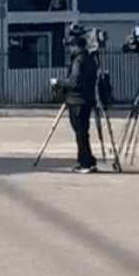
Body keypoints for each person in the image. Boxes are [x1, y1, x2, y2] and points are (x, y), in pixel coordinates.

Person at [62, 33, 99, 173]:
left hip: (77, 100)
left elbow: (75, 81)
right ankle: (86, 159)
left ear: (76, 46)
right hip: (86, 99)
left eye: (71, 46)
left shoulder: (78, 60)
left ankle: (85, 162)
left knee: (80, 132)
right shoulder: (90, 59)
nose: (69, 49)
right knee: (83, 132)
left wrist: (60, 82)